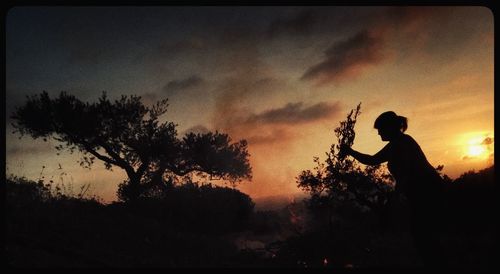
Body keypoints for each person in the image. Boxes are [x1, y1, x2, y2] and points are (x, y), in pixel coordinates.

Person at [340, 111, 445, 268]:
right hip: (422, 193)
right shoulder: (396, 144)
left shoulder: (402, 143)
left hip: (427, 193)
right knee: (423, 235)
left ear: (389, 128)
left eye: (380, 129)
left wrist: (395, 199)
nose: (379, 133)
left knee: (424, 235)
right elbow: (372, 160)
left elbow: (405, 175)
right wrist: (351, 152)